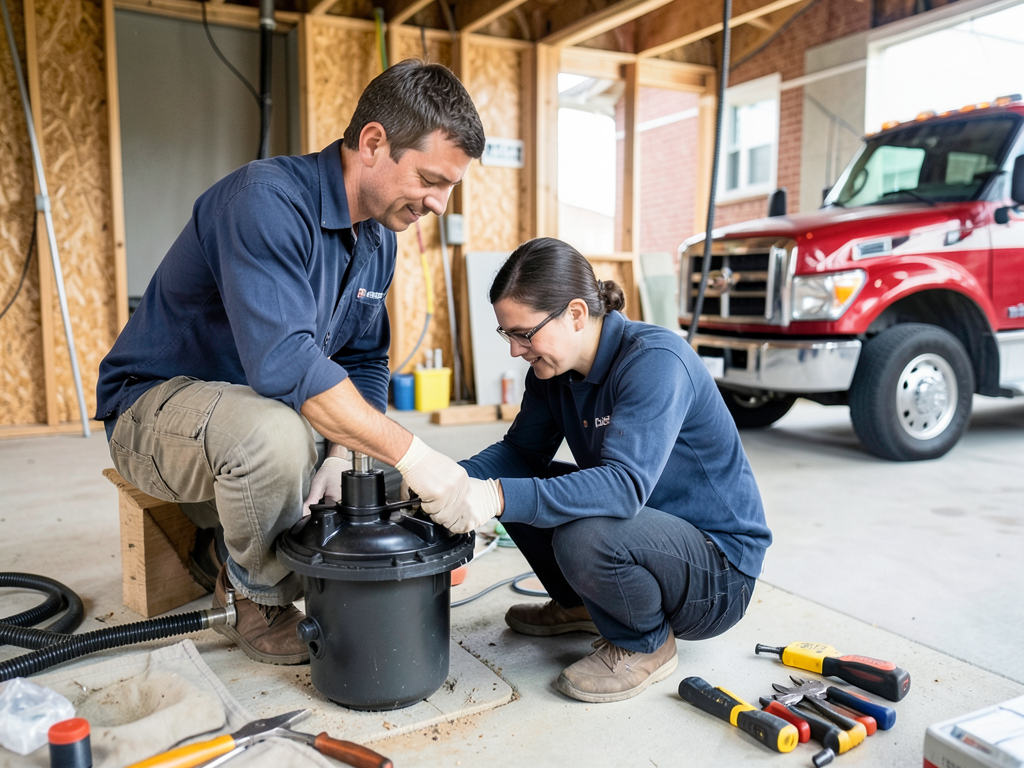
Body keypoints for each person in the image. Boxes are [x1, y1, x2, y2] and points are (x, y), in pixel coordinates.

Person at [95, 60, 495, 665]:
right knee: (281, 437)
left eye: (451, 189)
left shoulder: (378, 238)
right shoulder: (265, 202)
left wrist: (342, 456)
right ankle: (256, 594)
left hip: (245, 415)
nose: (439, 204)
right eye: (431, 180)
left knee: (376, 477)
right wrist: (417, 455)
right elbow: (287, 366)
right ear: (373, 143)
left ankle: (231, 543)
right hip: (152, 408)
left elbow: (363, 358)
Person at [439, 237, 771, 703]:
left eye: (524, 333)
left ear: (576, 314)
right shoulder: (550, 375)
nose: (515, 350)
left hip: (718, 573)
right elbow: (519, 452)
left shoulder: (655, 361)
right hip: (649, 538)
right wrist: (449, 480)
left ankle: (646, 642)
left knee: (579, 530)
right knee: (517, 486)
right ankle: (583, 606)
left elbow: (624, 487)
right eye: (506, 335)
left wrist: (496, 496)